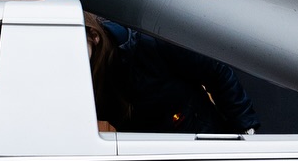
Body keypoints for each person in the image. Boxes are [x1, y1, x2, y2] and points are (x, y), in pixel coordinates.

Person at [85, 15, 258, 135]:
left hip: (202, 141)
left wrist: (246, 131)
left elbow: (216, 72)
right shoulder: (83, 77)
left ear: (94, 36)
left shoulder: (146, 42)